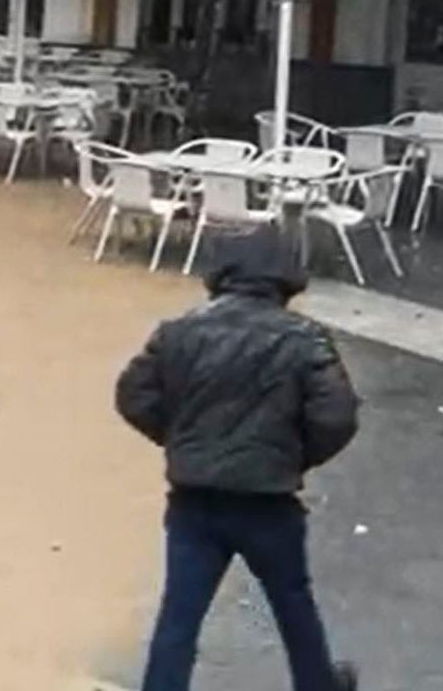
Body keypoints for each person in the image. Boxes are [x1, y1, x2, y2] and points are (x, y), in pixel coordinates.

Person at [116, 229, 361, 691]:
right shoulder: (305, 340)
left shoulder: (179, 331)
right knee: (293, 606)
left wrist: (181, 441)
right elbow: (338, 416)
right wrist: (294, 458)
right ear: (284, 282)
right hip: (269, 502)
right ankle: (318, 685)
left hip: (195, 500)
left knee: (179, 616)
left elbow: (133, 396)